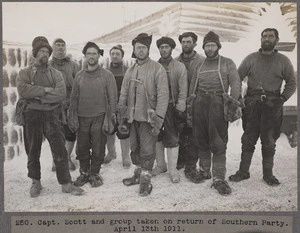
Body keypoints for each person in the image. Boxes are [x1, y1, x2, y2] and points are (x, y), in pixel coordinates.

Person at [17, 36, 84, 197]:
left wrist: (37, 94)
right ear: (35, 53)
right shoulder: (25, 73)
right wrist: (45, 90)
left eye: (47, 51)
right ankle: (36, 182)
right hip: (31, 115)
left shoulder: (55, 74)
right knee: (33, 150)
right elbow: (23, 91)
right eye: (41, 51)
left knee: (60, 149)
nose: (44, 54)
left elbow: (60, 94)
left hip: (52, 115)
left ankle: (66, 183)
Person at [229, 28, 296, 186]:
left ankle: (268, 175)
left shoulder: (283, 60)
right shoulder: (251, 58)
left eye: (270, 36)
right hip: (252, 104)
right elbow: (236, 78)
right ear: (261, 39)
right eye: (264, 36)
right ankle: (243, 172)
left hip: (273, 104)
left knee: (269, 141)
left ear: (276, 40)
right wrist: (239, 97)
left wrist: (282, 99)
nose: (267, 39)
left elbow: (292, 83)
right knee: (248, 138)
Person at [189, 31, 241, 195]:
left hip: (218, 104)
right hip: (199, 104)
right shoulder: (199, 64)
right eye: (207, 46)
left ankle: (218, 177)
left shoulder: (227, 63)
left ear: (218, 46)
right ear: (203, 47)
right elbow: (192, 87)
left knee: (218, 142)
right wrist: (190, 105)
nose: (210, 48)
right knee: (201, 139)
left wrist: (233, 102)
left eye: (212, 45)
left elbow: (236, 83)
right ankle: (205, 170)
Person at [119, 33, 169, 196]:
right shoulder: (130, 70)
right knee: (135, 147)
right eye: (138, 48)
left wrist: (159, 118)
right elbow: (124, 93)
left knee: (147, 149)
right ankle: (138, 173)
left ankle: (146, 180)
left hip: (149, 118)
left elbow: (163, 94)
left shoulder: (157, 68)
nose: (141, 50)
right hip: (132, 117)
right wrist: (122, 113)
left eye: (144, 48)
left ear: (148, 49)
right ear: (134, 50)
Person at [68, 42, 118, 188]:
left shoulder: (106, 75)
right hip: (82, 117)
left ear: (99, 56)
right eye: (89, 53)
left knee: (98, 147)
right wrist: (72, 115)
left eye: (94, 53)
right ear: (85, 56)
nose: (91, 56)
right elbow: (73, 97)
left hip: (100, 116)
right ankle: (84, 173)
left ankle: (95, 173)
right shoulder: (79, 75)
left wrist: (111, 116)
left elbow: (113, 97)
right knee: (82, 147)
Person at [151, 36, 188, 183]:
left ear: (171, 49)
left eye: (166, 47)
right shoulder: (153, 66)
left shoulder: (179, 67)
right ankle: (161, 165)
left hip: (172, 107)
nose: (164, 50)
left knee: (172, 138)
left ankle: (173, 170)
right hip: (156, 107)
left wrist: (180, 107)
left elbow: (183, 89)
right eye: (161, 47)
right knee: (157, 135)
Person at [175, 32, 206, 183]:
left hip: (196, 103)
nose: (186, 44)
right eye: (183, 42)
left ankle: (191, 166)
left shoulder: (202, 61)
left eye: (189, 42)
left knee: (194, 135)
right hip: (179, 103)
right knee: (180, 132)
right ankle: (180, 159)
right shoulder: (175, 61)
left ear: (195, 44)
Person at [50, 38, 80, 172]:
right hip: (53, 103)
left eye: (63, 45)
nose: (61, 48)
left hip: (70, 101)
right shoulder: (48, 65)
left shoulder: (73, 65)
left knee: (70, 131)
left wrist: (74, 101)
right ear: (53, 48)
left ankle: (66, 157)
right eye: (58, 45)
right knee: (55, 133)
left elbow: (79, 83)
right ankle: (56, 160)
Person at [103, 45, 131, 169]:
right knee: (110, 130)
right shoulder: (105, 71)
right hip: (109, 105)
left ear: (122, 56)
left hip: (123, 105)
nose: (115, 56)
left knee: (123, 130)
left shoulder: (127, 70)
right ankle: (111, 152)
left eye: (117, 54)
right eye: (113, 53)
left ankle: (125, 156)